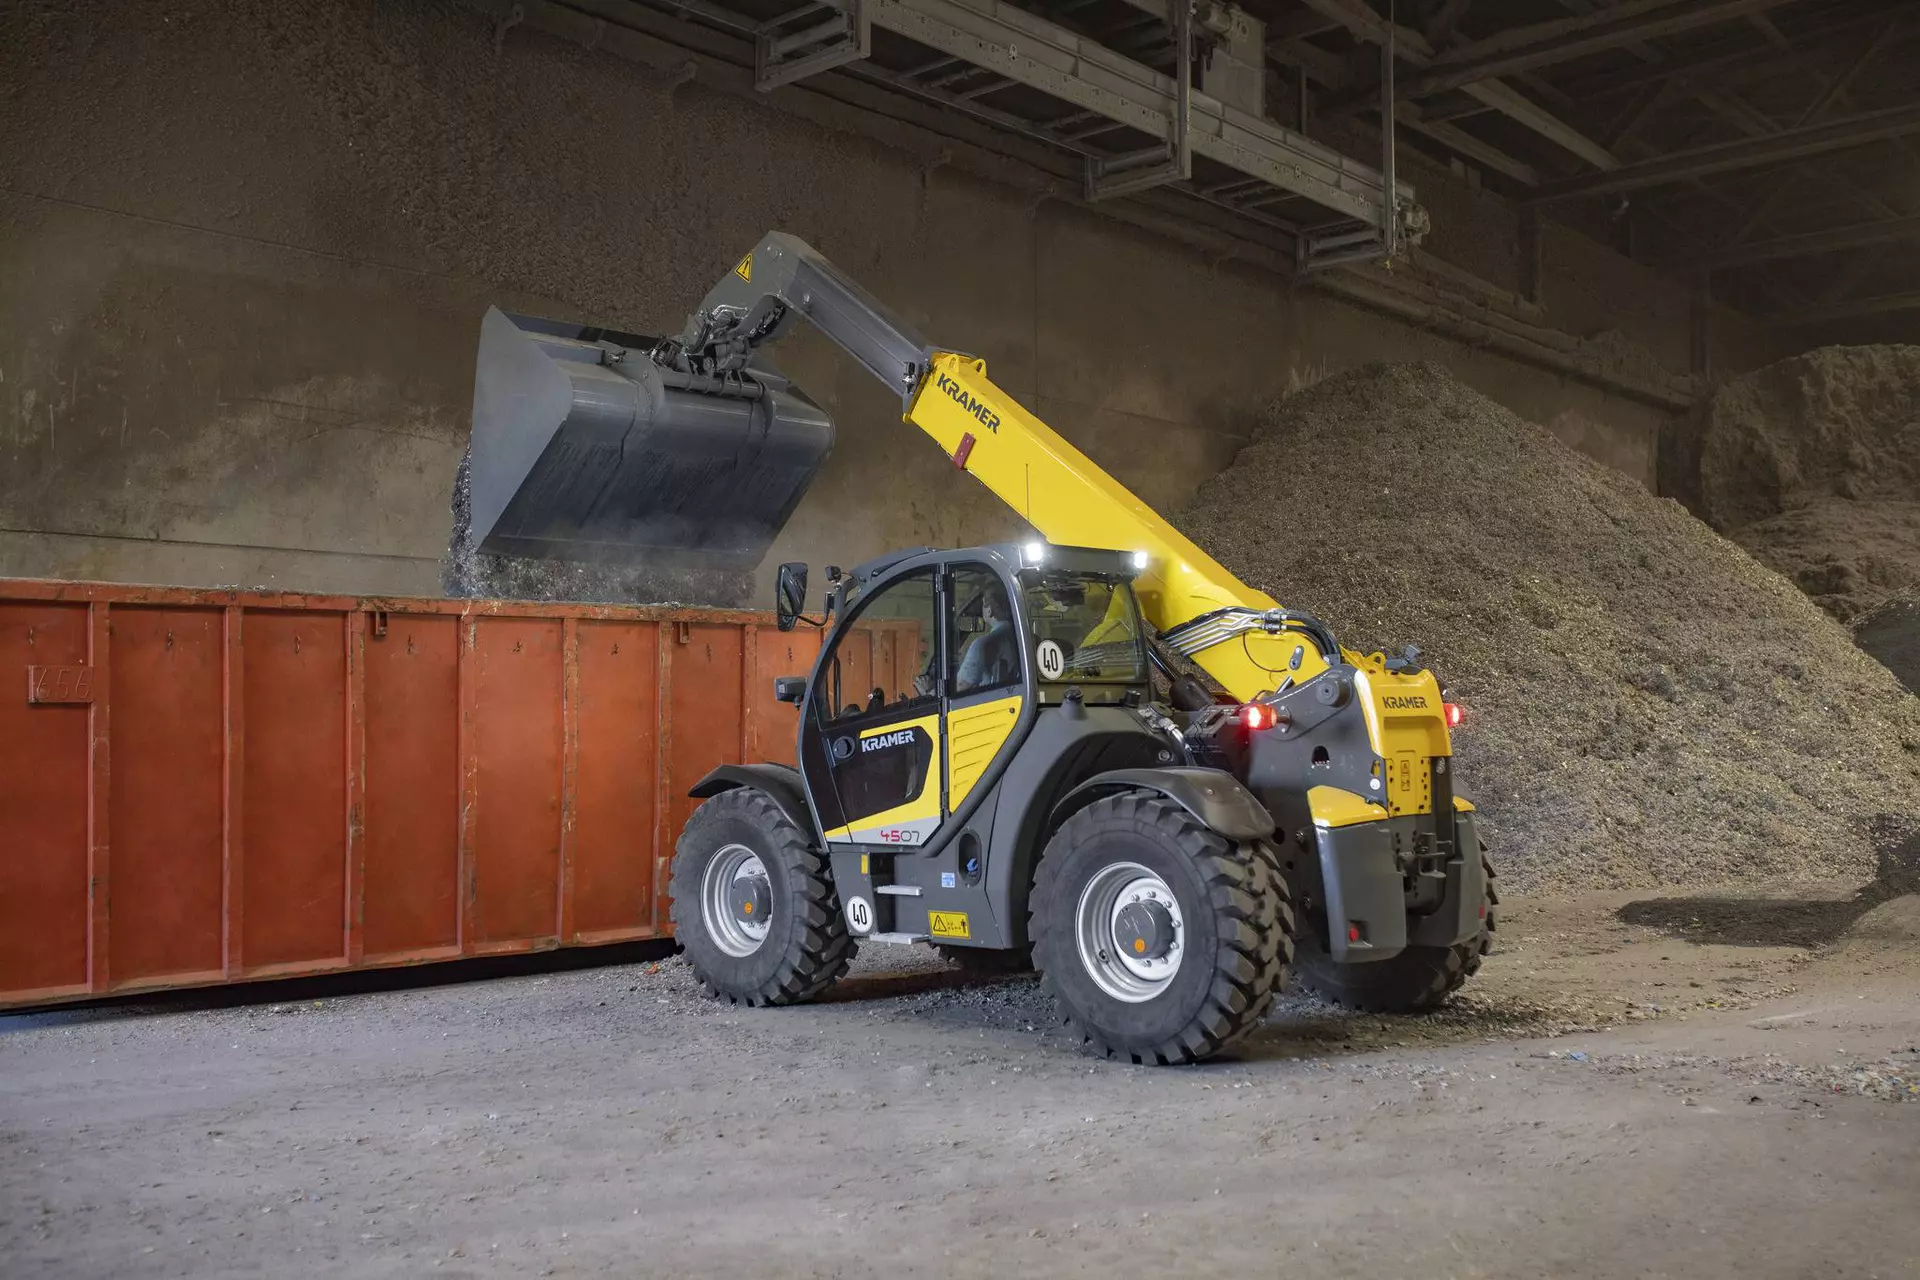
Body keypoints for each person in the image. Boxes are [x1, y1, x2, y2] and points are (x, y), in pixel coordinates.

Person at [955, 584, 1018, 693]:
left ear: (989, 610)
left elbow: (960, 686)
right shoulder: (1028, 639)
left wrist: (931, 691)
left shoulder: (983, 644)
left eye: (983, 604)